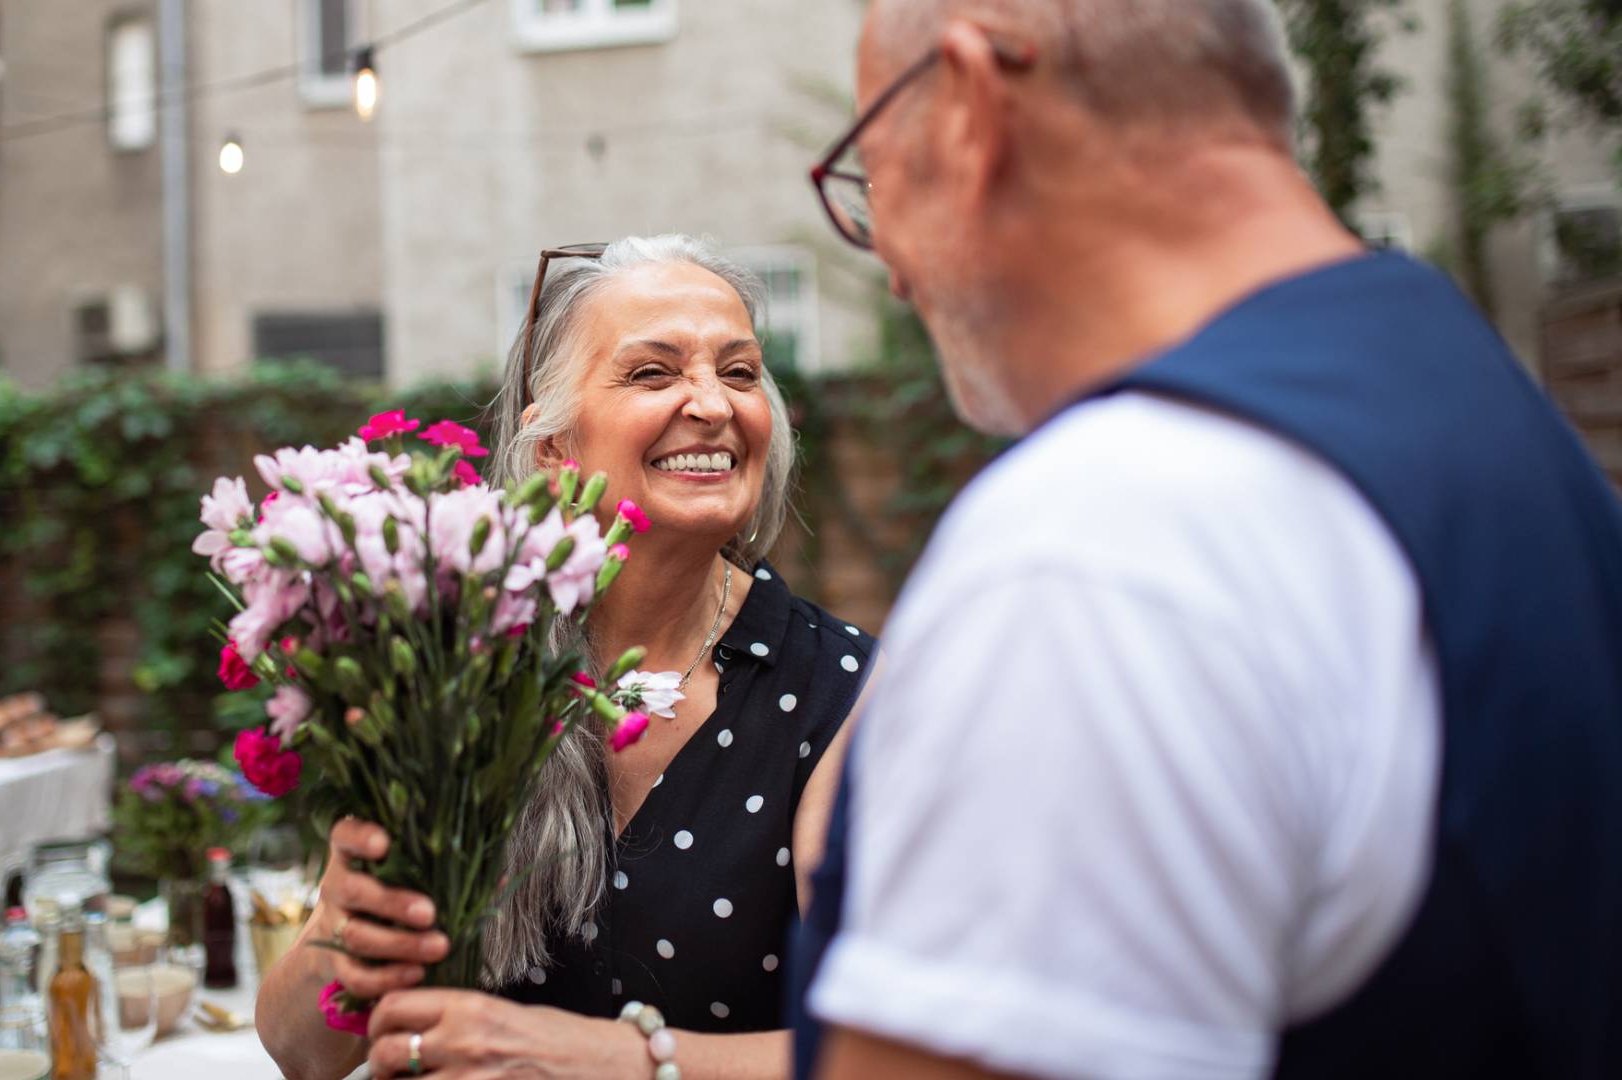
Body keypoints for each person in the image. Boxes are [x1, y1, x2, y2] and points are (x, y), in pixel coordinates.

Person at [788, 2, 1622, 1079]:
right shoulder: (1486, 405)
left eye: (872, 176)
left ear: (968, 109)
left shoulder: (1105, 544)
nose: (892, 268)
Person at [257, 234, 877, 1080]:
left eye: (739, 372)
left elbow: (880, 1057)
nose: (712, 404)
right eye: (652, 372)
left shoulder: (840, 695)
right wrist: (344, 924)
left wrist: (620, 1060)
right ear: (553, 448)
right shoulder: (460, 667)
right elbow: (301, 1051)